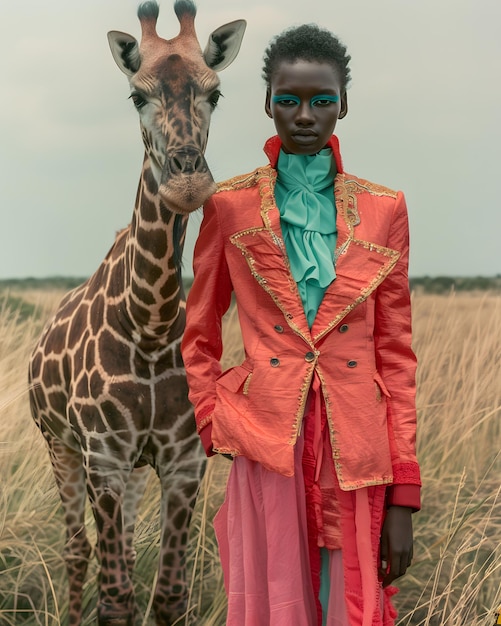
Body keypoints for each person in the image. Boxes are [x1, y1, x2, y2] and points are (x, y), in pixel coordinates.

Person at [181, 22, 421, 626]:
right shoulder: (229, 204)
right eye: (288, 100)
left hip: (357, 446)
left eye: (322, 100)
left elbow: (395, 352)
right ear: (268, 104)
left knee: (349, 601)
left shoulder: (384, 207)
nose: (305, 115)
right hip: (267, 441)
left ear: (345, 103)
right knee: (276, 601)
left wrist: (404, 501)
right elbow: (200, 331)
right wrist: (213, 420)